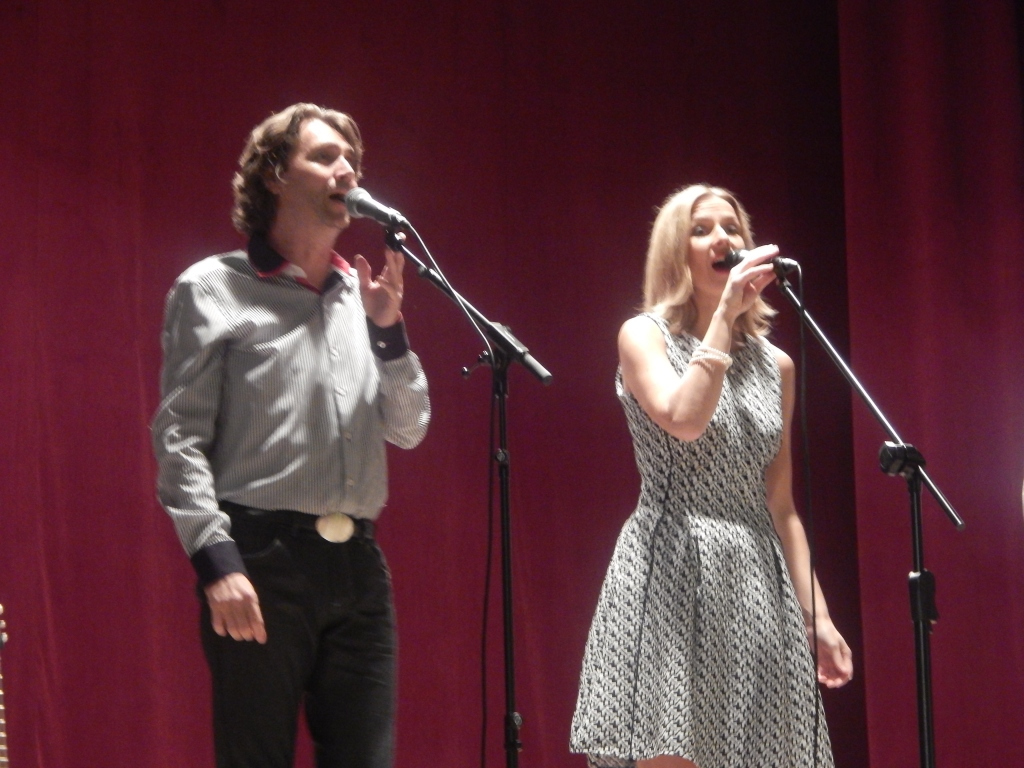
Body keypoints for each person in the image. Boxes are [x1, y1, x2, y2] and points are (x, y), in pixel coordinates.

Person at [152, 103, 430, 768]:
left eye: (353, 161)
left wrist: (388, 333)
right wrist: (216, 562)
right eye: (325, 156)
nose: (347, 171)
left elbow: (409, 427)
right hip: (260, 559)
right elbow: (180, 439)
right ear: (275, 174)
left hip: (358, 567)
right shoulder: (212, 288)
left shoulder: (360, 297)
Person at [570, 184, 853, 768]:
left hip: (755, 579)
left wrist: (818, 617)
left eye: (732, 228)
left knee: (760, 752)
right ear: (675, 252)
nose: (722, 238)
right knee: (670, 748)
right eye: (702, 230)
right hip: (671, 563)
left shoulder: (777, 366)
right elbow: (684, 419)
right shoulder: (643, 335)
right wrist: (723, 315)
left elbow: (782, 506)